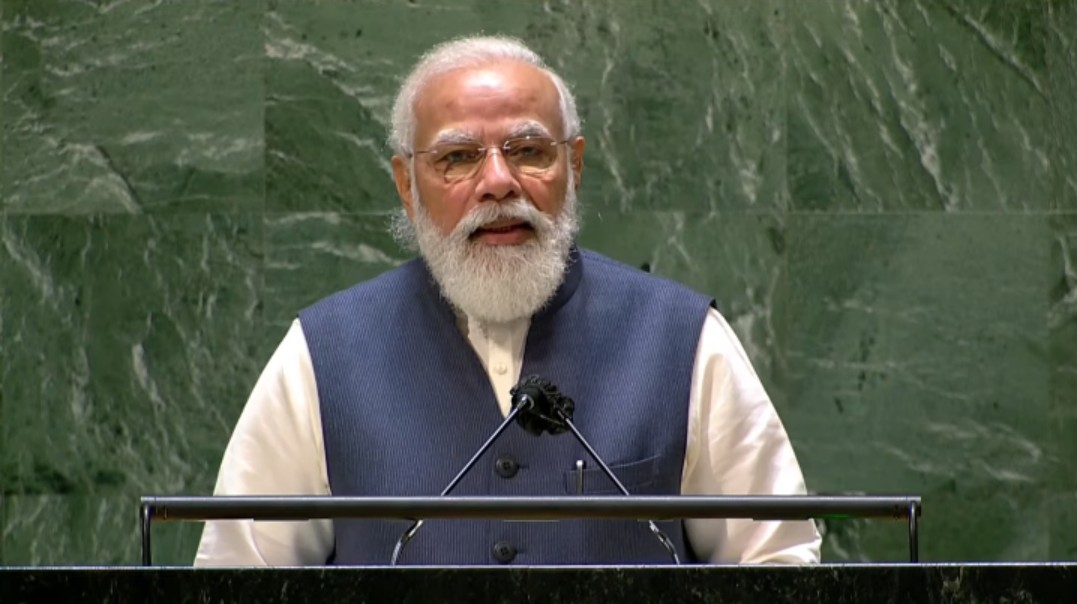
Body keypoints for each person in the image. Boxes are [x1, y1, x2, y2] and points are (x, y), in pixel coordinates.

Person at [195, 35, 821, 566]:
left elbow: (778, 562)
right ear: (407, 187)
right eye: (458, 158)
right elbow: (238, 575)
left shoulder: (685, 341)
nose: (498, 182)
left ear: (573, 167)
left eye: (527, 151)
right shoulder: (322, 355)